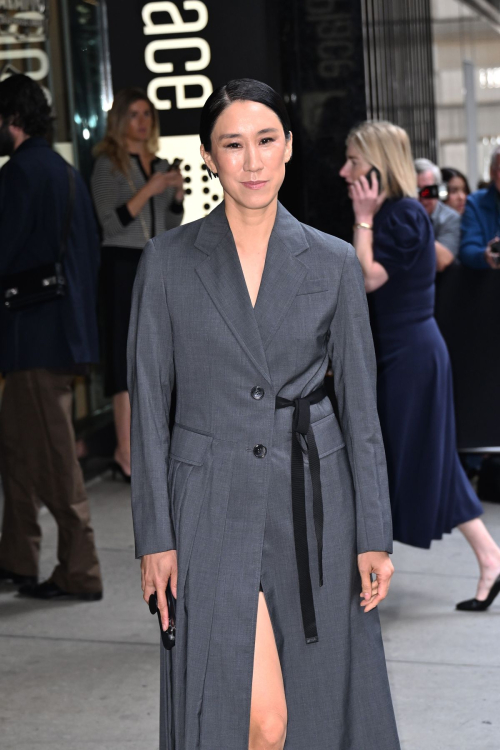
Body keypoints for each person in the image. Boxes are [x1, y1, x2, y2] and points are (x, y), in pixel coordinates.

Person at [128, 79, 400, 750]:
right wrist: (154, 536)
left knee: (313, 708)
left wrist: (374, 532)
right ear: (208, 156)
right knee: (257, 719)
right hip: (209, 499)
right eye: (233, 145)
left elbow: (362, 408)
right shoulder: (166, 263)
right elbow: (150, 409)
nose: (252, 161)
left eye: (265, 141)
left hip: (313, 502)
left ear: (288, 148)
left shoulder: (333, 263)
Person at [340, 120, 500, 614]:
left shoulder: (402, 215)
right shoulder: (396, 213)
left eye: (353, 161)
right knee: (429, 461)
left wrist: (362, 218)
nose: (344, 170)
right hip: (400, 353)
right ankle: (492, 559)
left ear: (377, 164)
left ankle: (363, 578)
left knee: (386, 462)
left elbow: (367, 279)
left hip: (410, 356)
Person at [0, 74, 103, 600]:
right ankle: (16, 557)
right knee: (19, 451)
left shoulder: (20, 173)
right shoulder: (64, 171)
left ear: (9, 119)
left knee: (54, 458)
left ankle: (79, 570)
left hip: (35, 339)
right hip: (63, 335)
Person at [91, 88, 184, 481]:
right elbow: (110, 223)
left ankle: (156, 450)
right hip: (121, 266)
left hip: (158, 262)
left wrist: (176, 195)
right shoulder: (107, 165)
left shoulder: (160, 162)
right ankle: (125, 453)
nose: (142, 121)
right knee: (122, 356)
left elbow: (174, 223)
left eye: (147, 114)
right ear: (120, 121)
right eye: (134, 114)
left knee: (160, 354)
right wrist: (151, 188)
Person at [415, 157, 461, 270]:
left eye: (428, 191)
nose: (422, 197)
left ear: (437, 189)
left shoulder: (450, 217)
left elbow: (442, 261)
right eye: (416, 191)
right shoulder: (399, 214)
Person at [460, 146, 500, 269]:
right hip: (490, 281)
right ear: (491, 172)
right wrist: (485, 255)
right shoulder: (475, 203)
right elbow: (468, 249)